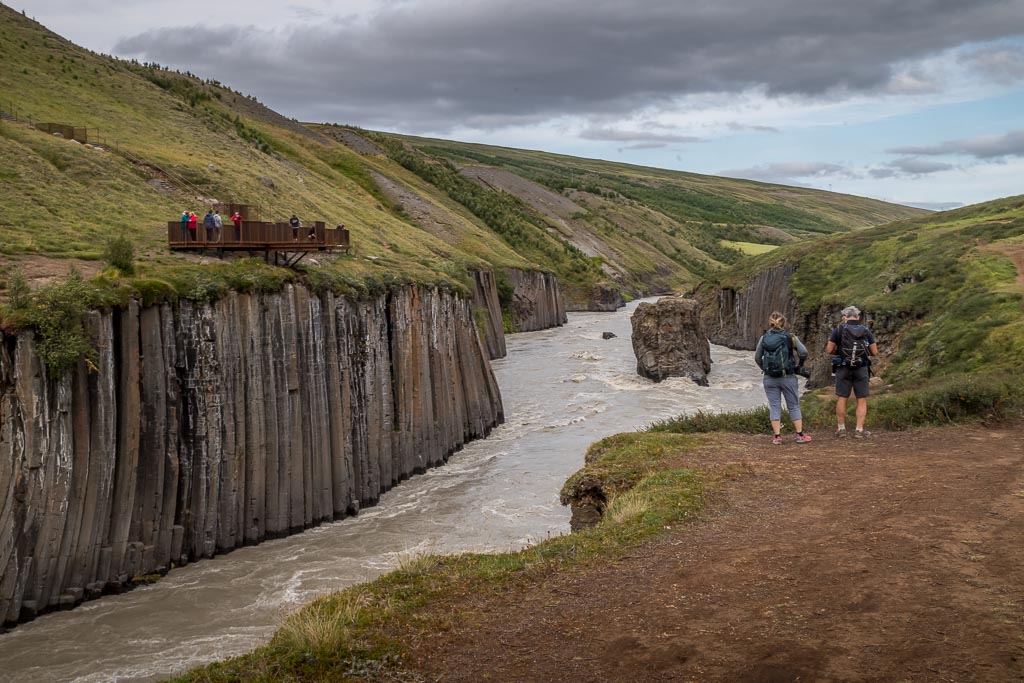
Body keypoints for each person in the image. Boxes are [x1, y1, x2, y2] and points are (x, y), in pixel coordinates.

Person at [755, 311, 811, 445]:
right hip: (788, 376)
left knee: (774, 406)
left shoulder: (764, 338)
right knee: (793, 406)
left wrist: (765, 369)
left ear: (770, 323)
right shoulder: (790, 337)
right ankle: (799, 435)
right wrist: (799, 366)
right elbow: (804, 352)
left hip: (769, 377)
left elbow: (757, 357)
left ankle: (777, 437)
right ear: (784, 323)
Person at [826, 305, 879, 438]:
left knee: (842, 398)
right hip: (861, 368)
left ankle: (841, 429)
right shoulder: (865, 330)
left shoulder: (839, 329)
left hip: (843, 367)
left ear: (845, 318)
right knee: (861, 399)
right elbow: (875, 352)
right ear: (858, 317)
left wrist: (840, 351)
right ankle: (859, 430)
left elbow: (829, 350)